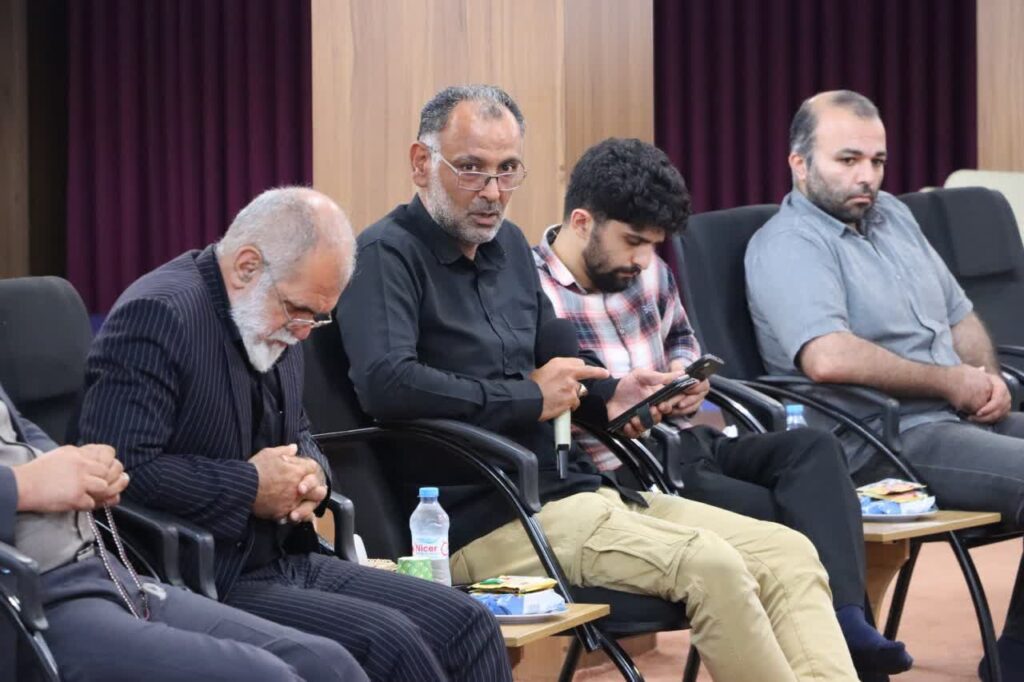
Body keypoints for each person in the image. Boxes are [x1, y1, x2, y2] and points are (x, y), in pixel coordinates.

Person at [337, 83, 859, 682]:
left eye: (508, 170)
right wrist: (531, 397)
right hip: (486, 520)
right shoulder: (385, 255)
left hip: (578, 494)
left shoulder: (508, 248)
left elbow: (559, 365)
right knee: (712, 566)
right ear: (421, 163)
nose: (493, 192)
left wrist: (613, 395)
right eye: (472, 169)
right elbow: (388, 385)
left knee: (788, 553)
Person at [77, 187, 511, 682]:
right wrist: (250, 486)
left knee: (468, 622)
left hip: (287, 554)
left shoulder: (276, 314)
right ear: (246, 267)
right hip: (200, 573)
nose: (304, 331)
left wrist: (311, 474)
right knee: (393, 643)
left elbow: (299, 429)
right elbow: (119, 473)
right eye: (299, 310)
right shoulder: (159, 315)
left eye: (317, 317)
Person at [534, 135, 912, 675]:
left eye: (653, 245)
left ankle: (848, 620)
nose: (643, 259)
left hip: (688, 441)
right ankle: (851, 645)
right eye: (633, 242)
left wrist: (688, 378)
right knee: (784, 523)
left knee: (813, 449)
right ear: (581, 223)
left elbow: (682, 340)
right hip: (625, 473)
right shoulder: (533, 291)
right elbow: (567, 394)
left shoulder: (650, 272)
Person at [744, 89, 1024, 679]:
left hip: (956, 417)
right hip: (881, 440)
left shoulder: (893, 215)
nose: (866, 176)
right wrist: (949, 382)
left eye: (877, 161)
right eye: (848, 160)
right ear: (799, 163)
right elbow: (826, 357)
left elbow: (959, 315)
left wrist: (987, 378)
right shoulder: (788, 245)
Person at [0, 380, 367, 682]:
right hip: (32, 597)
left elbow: (17, 433)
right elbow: (143, 472)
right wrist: (24, 485)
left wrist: (78, 466)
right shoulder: (157, 325)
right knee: (266, 676)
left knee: (326, 663)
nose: (304, 328)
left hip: (103, 571)